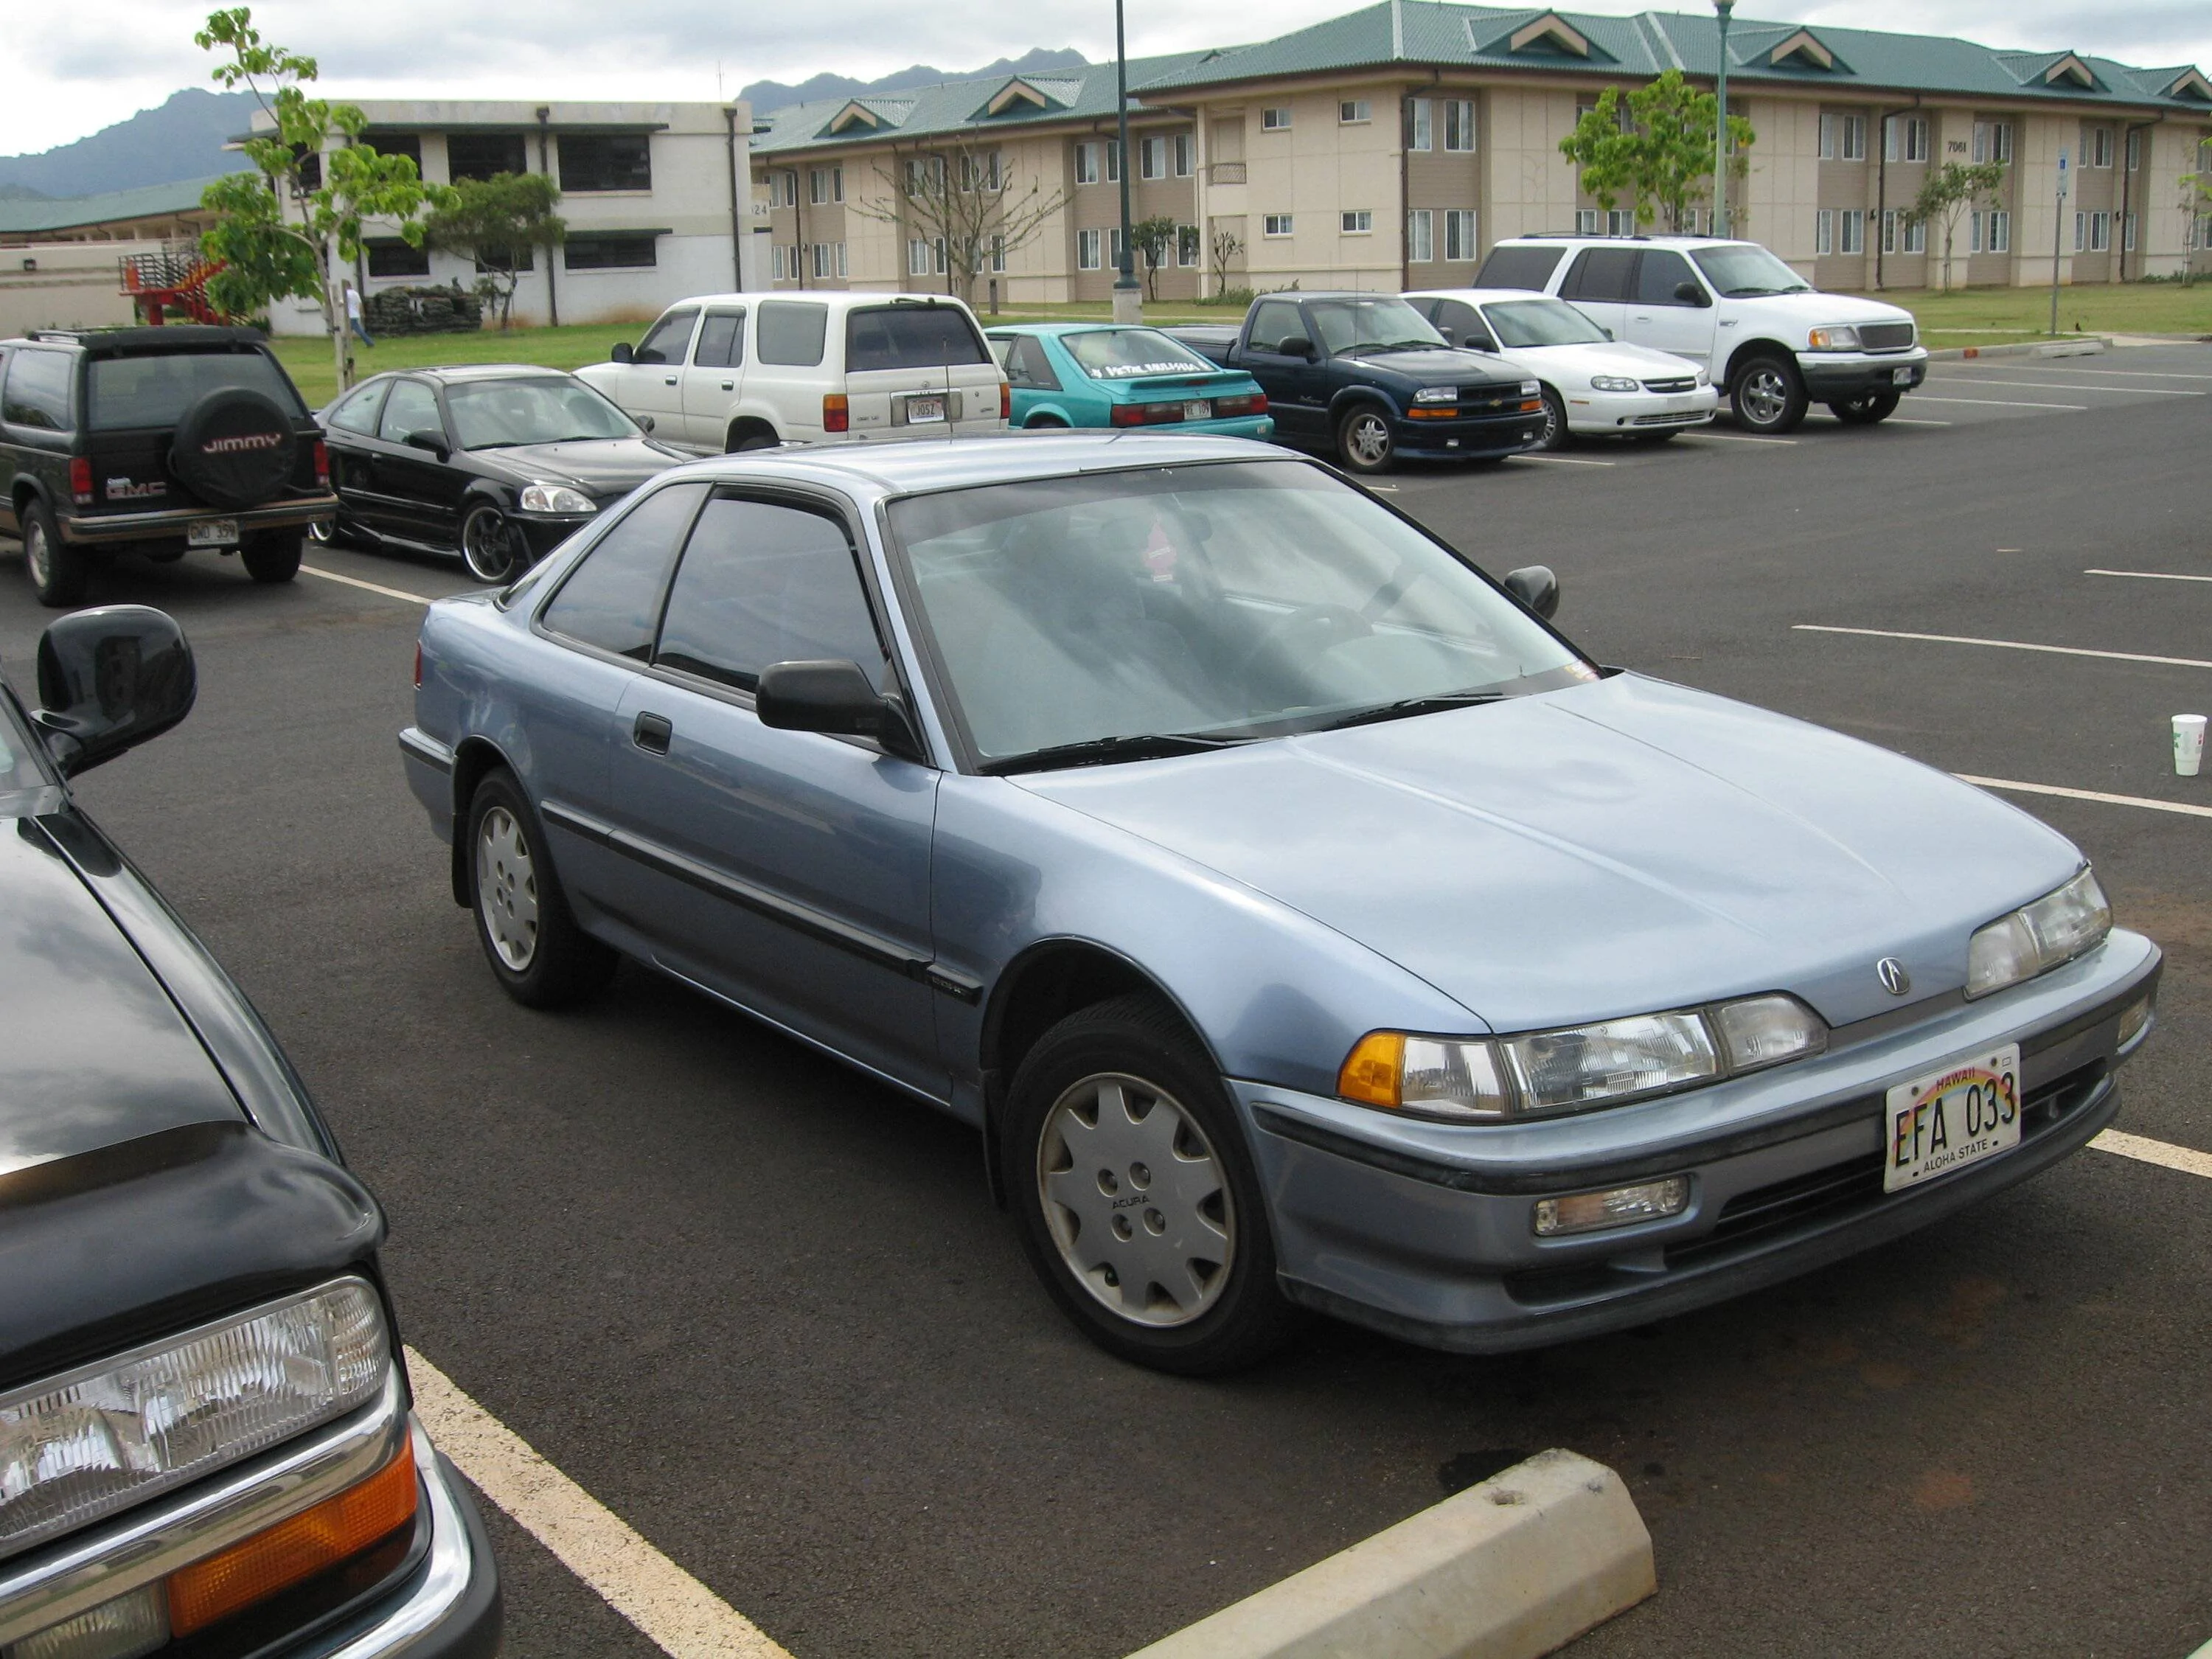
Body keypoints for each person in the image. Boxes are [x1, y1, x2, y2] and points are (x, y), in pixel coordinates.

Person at [345, 283, 375, 349]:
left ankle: (369, 342)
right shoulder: (356, 293)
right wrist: (362, 313)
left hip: (350, 315)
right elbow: (360, 304)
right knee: (348, 330)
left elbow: (341, 302)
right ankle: (346, 345)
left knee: (358, 330)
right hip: (355, 314)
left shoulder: (346, 293)